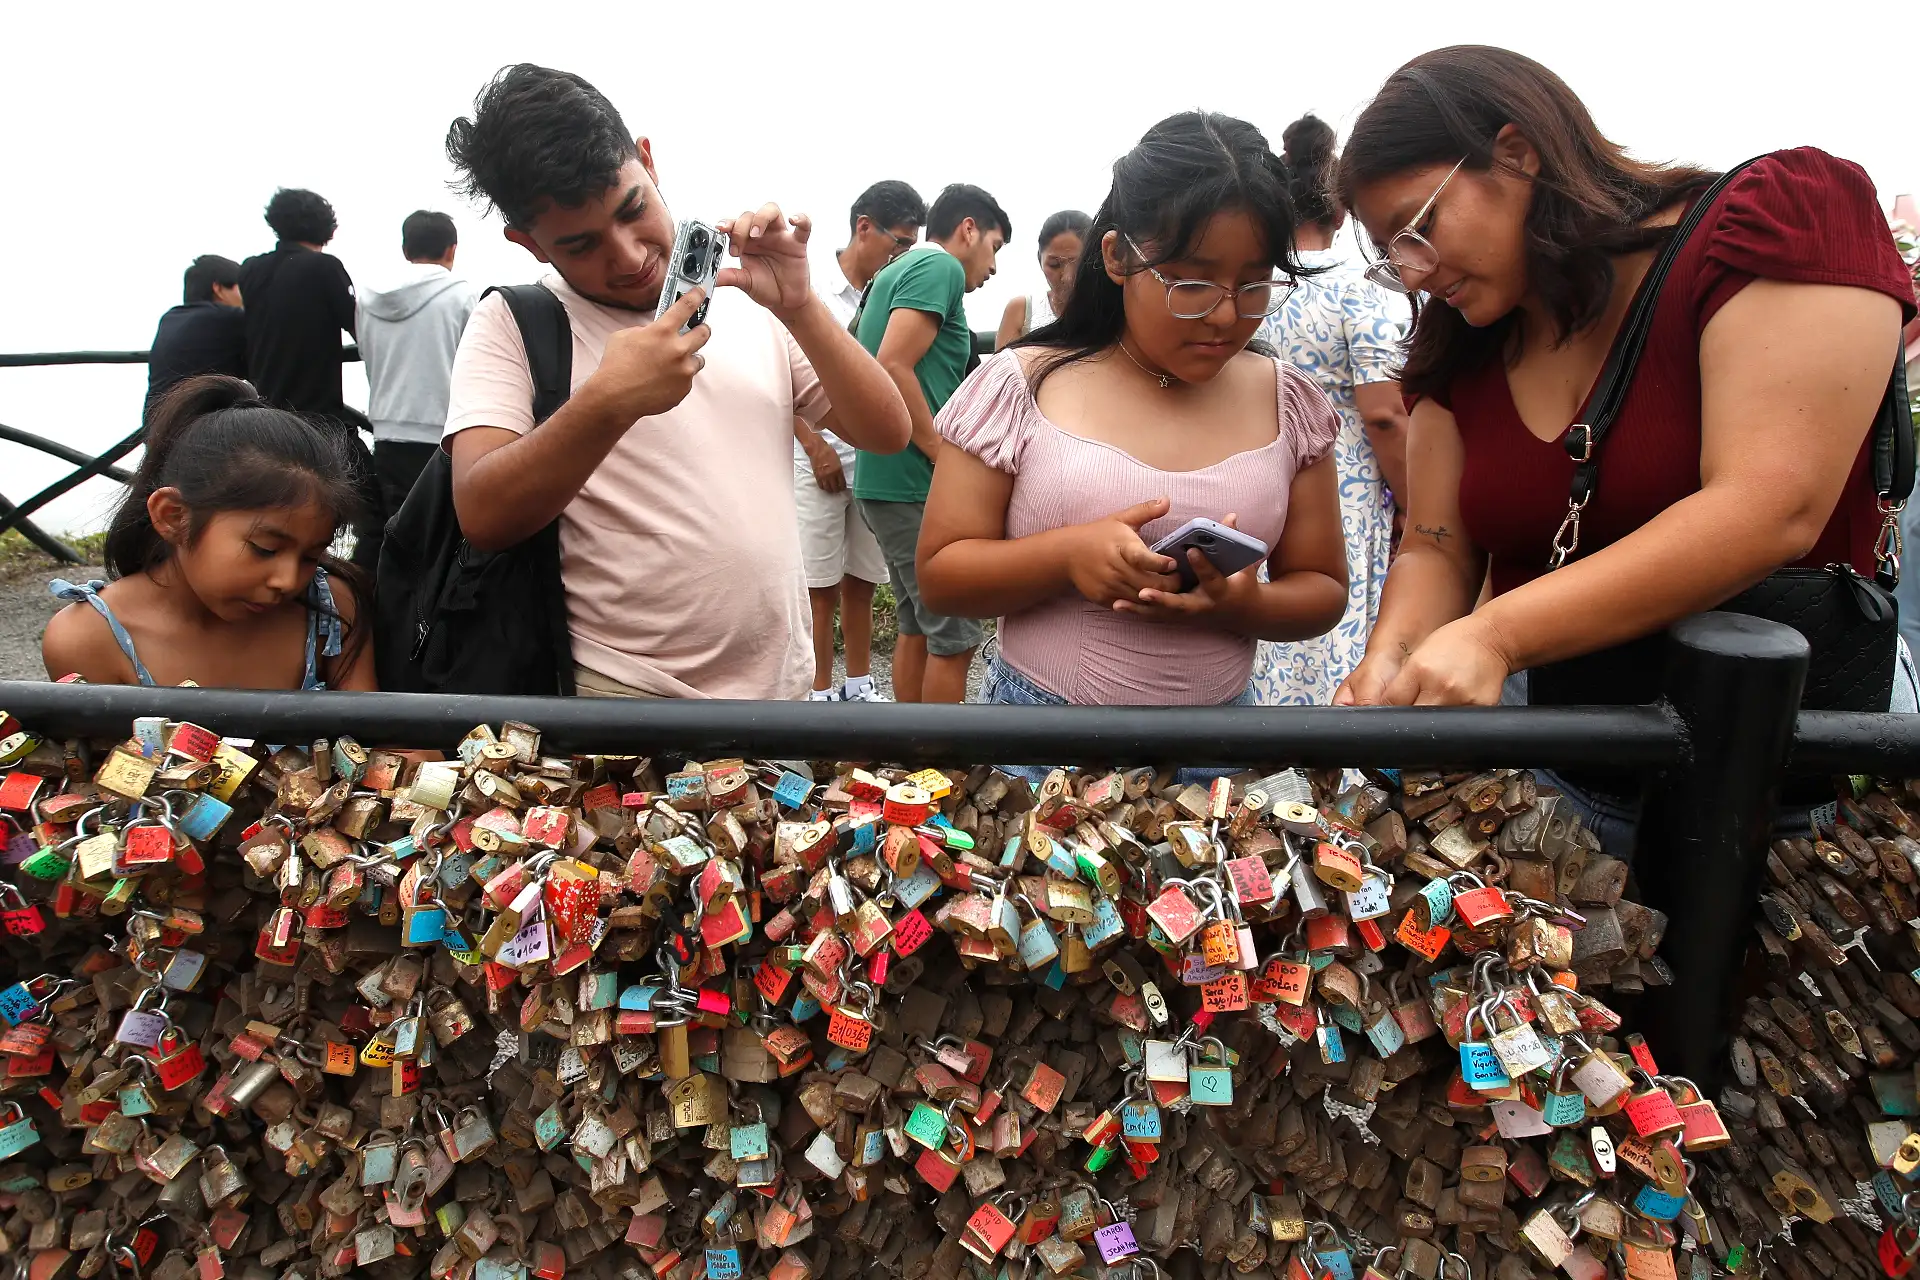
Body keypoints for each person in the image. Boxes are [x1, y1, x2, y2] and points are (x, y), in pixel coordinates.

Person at [1331, 46, 1915, 850]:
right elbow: (1437, 543)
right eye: (1392, 252)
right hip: (1557, 780)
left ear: (1517, 152)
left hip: (1786, 793)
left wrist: (1494, 635)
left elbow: (1769, 507)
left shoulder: (1775, 219)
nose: (1414, 270)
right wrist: (1391, 657)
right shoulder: (1461, 340)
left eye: (1421, 228)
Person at [441, 64, 910, 701]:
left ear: (648, 160)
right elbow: (481, 512)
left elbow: (886, 430)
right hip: (624, 701)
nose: (629, 256)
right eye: (581, 245)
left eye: (633, 210)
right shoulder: (512, 323)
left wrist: (801, 306)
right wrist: (609, 402)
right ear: (528, 244)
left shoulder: (744, 299)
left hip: (781, 696)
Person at [917, 112, 1347, 714]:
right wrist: (1066, 556)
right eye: (1191, 284)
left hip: (1224, 755)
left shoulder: (1288, 403)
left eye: (1253, 285)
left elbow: (1323, 589)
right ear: (1118, 257)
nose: (1226, 316)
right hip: (1044, 745)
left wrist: (1244, 605)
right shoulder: (1024, 385)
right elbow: (940, 573)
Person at [42, 376, 373, 690]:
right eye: (265, 549)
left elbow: (380, 742)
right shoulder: (89, 638)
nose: (287, 581)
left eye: (311, 556)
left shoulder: (331, 610)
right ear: (174, 516)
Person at [1249, 114, 1411, 705]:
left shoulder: (1256, 287)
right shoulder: (1358, 288)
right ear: (1341, 211)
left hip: (1262, 478)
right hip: (1342, 486)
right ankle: (1331, 778)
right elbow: (1385, 413)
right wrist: (1418, 507)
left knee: (1267, 622)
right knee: (1331, 629)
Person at [852, 183, 1010, 703]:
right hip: (915, 477)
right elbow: (892, 363)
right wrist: (940, 452)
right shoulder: (938, 267)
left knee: (917, 624)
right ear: (969, 229)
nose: (992, 267)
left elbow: (862, 350)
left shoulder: (891, 272)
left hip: (882, 476)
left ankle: (908, 765)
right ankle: (944, 771)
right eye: (995, 247)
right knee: (954, 633)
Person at [795, 180, 925, 701]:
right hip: (815, 457)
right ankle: (820, 690)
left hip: (869, 459)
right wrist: (814, 444)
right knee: (818, 583)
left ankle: (858, 684)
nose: (903, 255)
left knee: (863, 578)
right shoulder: (812, 289)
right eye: (899, 242)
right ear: (863, 228)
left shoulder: (888, 293)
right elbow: (782, 376)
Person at [239, 188, 382, 567]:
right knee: (378, 514)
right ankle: (355, 591)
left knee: (278, 514)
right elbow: (361, 328)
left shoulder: (251, 270)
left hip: (265, 418)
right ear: (328, 228)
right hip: (319, 422)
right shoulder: (324, 268)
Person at [355, 210, 481, 567]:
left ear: (405, 248)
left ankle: (379, 612)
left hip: (386, 432)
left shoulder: (367, 299)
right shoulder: (462, 296)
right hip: (442, 435)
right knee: (443, 540)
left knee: (393, 536)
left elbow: (365, 352)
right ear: (451, 250)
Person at [144, 255, 248, 420]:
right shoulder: (229, 318)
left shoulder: (170, 317)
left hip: (157, 426)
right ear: (218, 288)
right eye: (241, 287)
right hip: (200, 427)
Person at [995, 210, 1090, 348]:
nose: (1067, 277)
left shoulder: (1113, 313)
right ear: (1040, 260)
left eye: (1078, 265)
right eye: (1054, 265)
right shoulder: (1022, 312)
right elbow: (1003, 368)